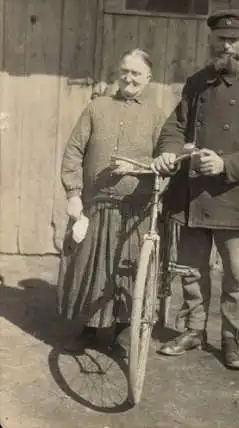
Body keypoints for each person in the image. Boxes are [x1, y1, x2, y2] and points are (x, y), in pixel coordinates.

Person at [152, 9, 239, 370]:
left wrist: (226, 164)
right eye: (219, 39)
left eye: (232, 39)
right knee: (191, 271)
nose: (225, 45)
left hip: (235, 197)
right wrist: (168, 152)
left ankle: (231, 339)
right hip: (194, 194)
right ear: (211, 41)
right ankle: (193, 330)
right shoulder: (195, 83)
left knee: (236, 277)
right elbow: (175, 128)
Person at [57, 48, 170, 356]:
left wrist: (142, 166)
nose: (129, 78)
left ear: (148, 78)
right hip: (96, 205)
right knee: (89, 269)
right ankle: (87, 330)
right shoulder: (97, 108)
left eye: (136, 73)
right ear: (117, 73)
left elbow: (165, 159)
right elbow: (73, 152)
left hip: (135, 209)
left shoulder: (158, 116)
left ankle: (119, 334)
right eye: (124, 71)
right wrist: (73, 193)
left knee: (127, 274)